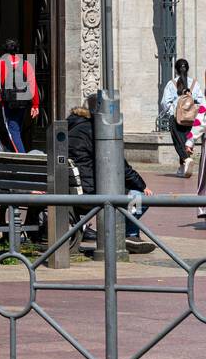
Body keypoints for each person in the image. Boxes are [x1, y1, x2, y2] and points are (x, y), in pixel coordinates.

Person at [66, 104, 155, 253]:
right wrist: (142, 185)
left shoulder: (70, 127)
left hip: (70, 190)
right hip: (92, 191)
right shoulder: (95, 130)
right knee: (140, 198)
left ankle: (130, 237)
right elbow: (119, 165)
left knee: (130, 194)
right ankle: (126, 235)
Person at [0, 39, 41, 153]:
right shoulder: (25, 64)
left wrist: (0, 99)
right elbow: (33, 84)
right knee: (16, 129)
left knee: (12, 131)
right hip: (23, 101)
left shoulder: (1, 63)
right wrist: (35, 104)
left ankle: (22, 159)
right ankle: (12, 159)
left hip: (8, 102)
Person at [160, 58, 204, 177]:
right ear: (188, 69)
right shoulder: (195, 84)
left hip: (176, 119)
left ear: (176, 70)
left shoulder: (171, 84)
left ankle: (185, 159)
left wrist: (172, 112)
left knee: (178, 141)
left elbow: (164, 103)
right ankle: (182, 168)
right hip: (191, 119)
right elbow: (201, 101)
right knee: (186, 141)